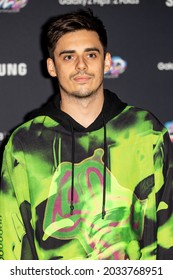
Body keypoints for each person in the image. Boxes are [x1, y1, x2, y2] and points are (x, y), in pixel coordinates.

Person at [0, 8, 173, 261]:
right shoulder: (25, 144)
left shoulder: (146, 133)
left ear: (106, 61)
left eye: (90, 54)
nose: (81, 65)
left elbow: (168, 229)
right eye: (68, 57)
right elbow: (10, 239)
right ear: (51, 66)